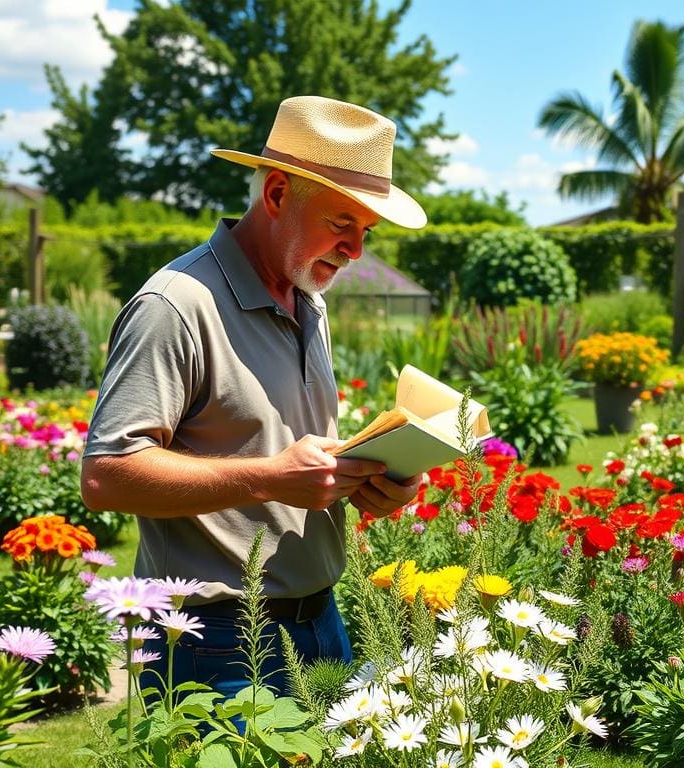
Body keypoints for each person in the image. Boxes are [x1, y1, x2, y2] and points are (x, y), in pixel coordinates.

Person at [80, 95, 427, 697]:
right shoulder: (176, 307)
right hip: (214, 640)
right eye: (342, 224)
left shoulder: (306, 299)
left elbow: (284, 454)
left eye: (365, 231)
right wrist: (267, 477)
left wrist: (379, 480)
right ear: (275, 195)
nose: (356, 251)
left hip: (321, 622)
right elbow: (107, 475)